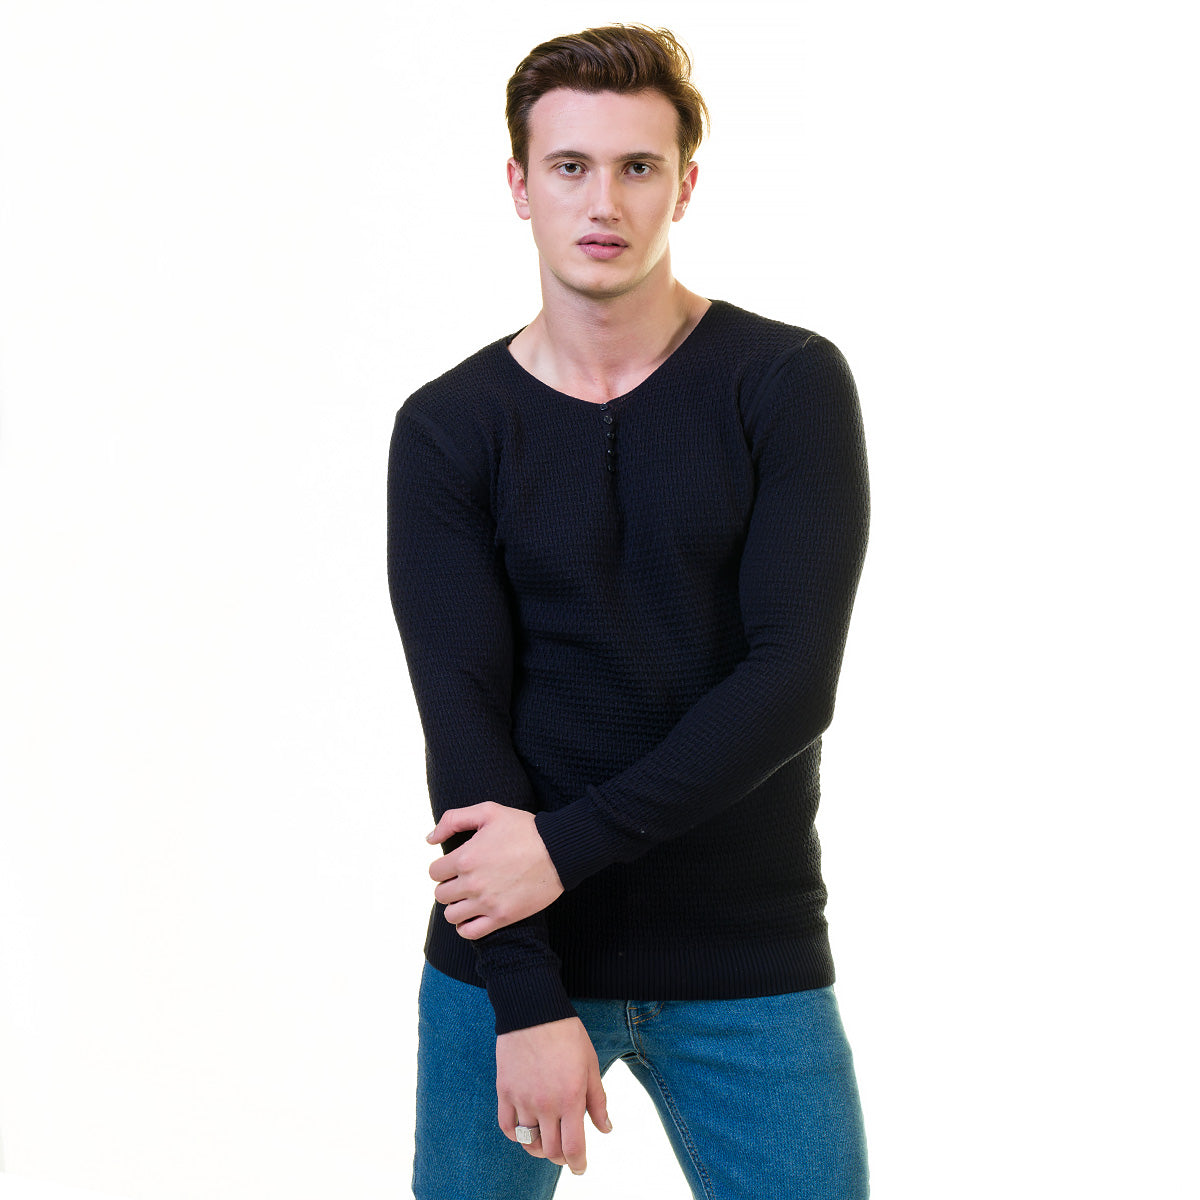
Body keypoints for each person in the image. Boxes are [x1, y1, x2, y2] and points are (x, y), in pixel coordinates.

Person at [387, 23, 871, 1200]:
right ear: (520, 184)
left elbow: (791, 682)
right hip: (512, 965)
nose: (603, 201)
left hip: (747, 953)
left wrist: (560, 849)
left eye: (637, 167)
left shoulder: (786, 384)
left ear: (683, 185)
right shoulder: (450, 429)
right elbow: (464, 716)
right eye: (570, 166)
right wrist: (525, 995)